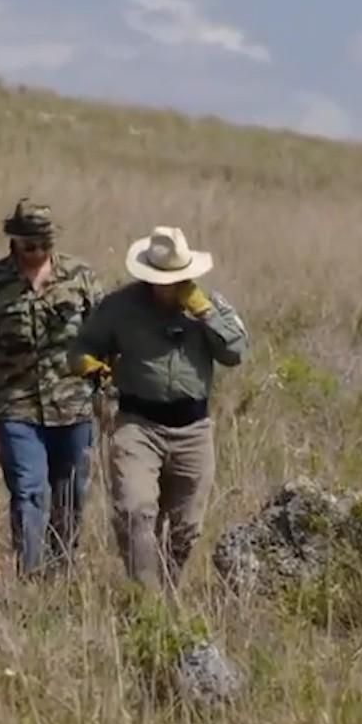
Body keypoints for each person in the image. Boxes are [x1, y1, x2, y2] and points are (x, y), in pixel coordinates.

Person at [67, 225, 249, 601]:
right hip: (137, 424)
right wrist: (92, 367)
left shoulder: (209, 305)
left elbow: (235, 353)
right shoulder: (119, 307)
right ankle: (145, 599)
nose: (168, 285)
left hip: (193, 429)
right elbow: (82, 347)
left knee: (186, 527)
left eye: (176, 278)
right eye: (161, 278)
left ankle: (168, 592)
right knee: (135, 511)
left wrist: (205, 314)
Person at [0, 198, 107, 580]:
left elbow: (104, 334)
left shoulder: (80, 277)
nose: (37, 252)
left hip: (73, 406)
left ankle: (59, 575)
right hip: (16, 406)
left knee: (70, 496)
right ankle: (28, 575)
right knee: (29, 490)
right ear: (14, 241)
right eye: (29, 245)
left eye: (44, 244)